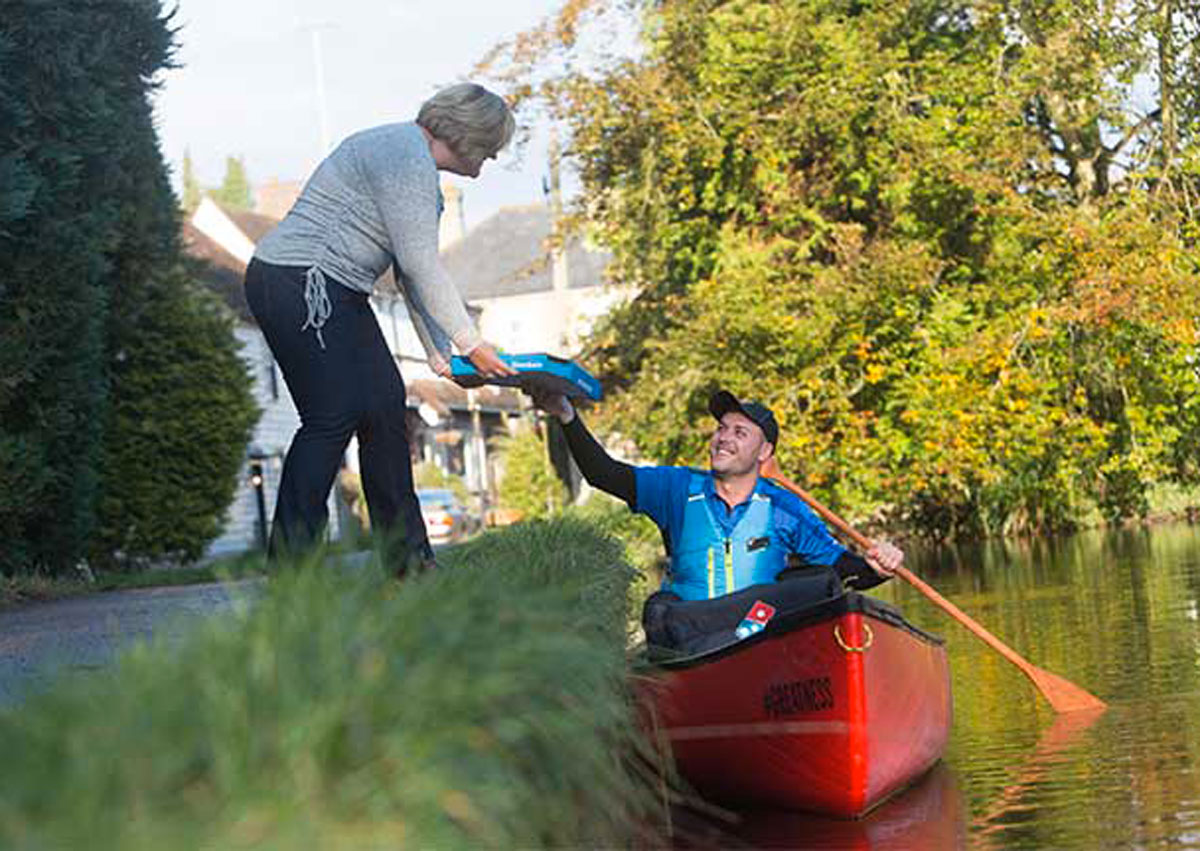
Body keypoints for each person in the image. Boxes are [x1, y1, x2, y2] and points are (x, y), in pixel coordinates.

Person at [244, 83, 517, 575]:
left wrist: (441, 357)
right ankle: (290, 574)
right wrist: (472, 344)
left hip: (335, 288)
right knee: (333, 416)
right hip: (299, 279)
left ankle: (408, 563)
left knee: (385, 406)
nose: (491, 159)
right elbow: (421, 264)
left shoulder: (417, 170)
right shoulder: (403, 154)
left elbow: (412, 274)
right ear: (472, 135)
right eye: (492, 147)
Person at [529, 388, 904, 601]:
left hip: (759, 638)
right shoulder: (676, 489)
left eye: (740, 433)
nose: (724, 437)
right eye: (722, 428)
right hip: (693, 637)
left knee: (816, 587)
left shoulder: (785, 509)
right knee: (660, 609)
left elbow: (844, 571)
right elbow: (602, 473)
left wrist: (877, 566)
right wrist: (566, 415)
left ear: (764, 454)